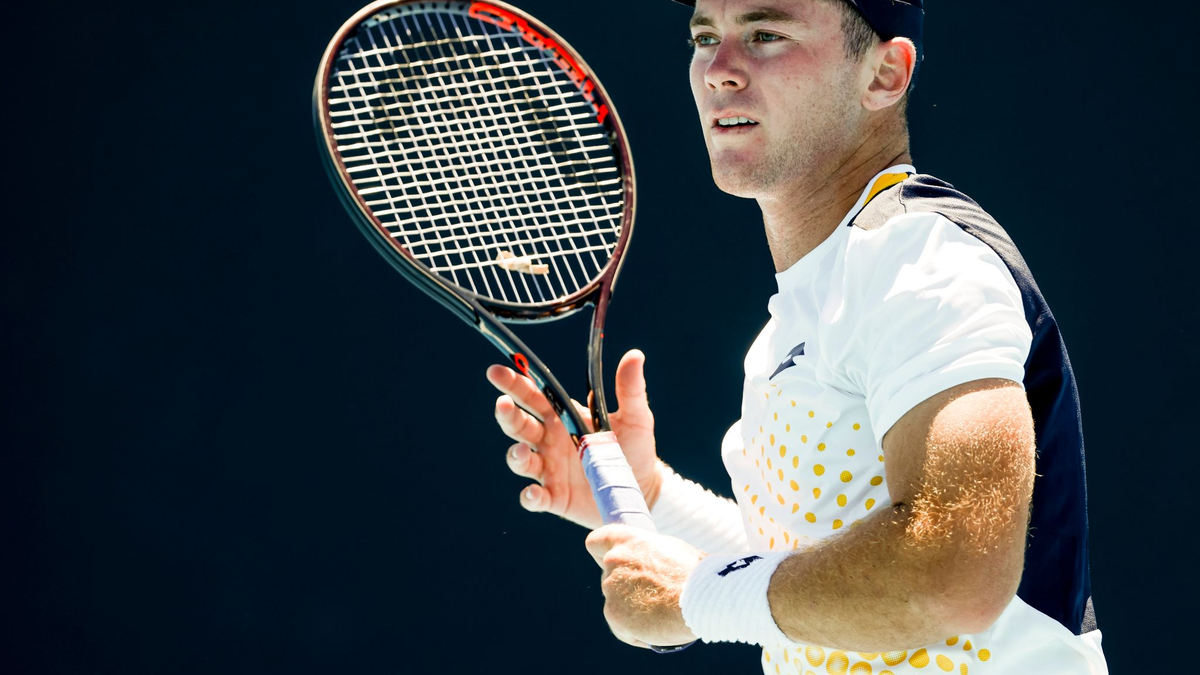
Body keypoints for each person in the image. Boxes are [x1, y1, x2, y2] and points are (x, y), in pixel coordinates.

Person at [487, 0, 1108, 672]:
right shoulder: (801, 317)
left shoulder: (919, 262)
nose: (719, 70)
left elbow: (954, 569)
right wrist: (653, 499)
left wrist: (696, 596)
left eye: (765, 33)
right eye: (704, 36)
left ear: (883, 75)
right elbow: (811, 564)